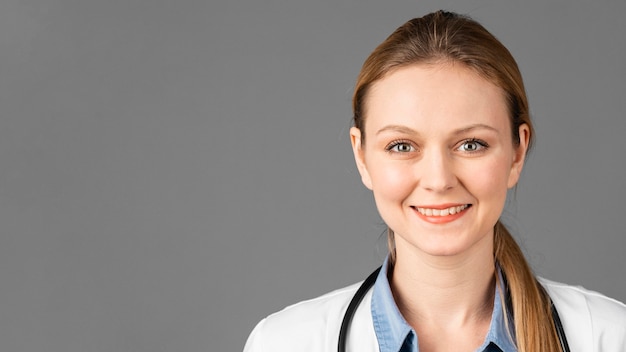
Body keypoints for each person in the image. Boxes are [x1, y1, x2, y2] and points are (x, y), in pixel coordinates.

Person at [243, 10, 626, 352]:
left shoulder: (610, 338)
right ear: (362, 156)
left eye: (471, 144)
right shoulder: (283, 343)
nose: (439, 180)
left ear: (517, 152)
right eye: (402, 145)